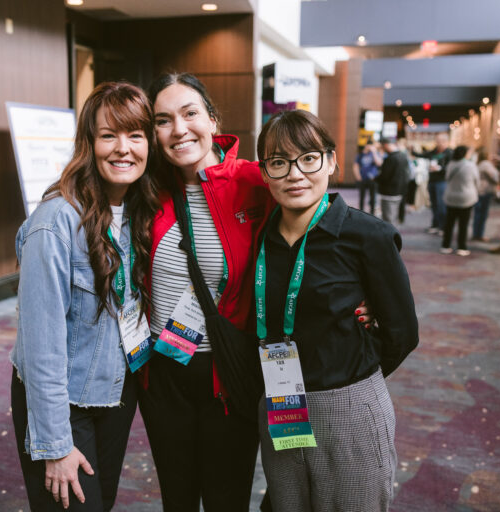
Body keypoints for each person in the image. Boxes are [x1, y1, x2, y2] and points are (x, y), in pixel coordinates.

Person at [254, 109, 418, 511]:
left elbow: (402, 334)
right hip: (282, 401)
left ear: (331, 161)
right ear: (264, 173)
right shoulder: (261, 237)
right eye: (279, 163)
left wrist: (352, 376)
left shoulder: (367, 235)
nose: (295, 174)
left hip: (349, 406)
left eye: (308, 158)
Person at [10, 82, 160, 511]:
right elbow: (40, 347)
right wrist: (56, 445)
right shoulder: (55, 222)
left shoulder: (136, 210)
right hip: (63, 400)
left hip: (113, 393)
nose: (123, 148)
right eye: (108, 135)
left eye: (135, 135)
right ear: (88, 143)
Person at [137, 72, 275, 511]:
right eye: (163, 120)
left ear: (213, 119)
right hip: (162, 373)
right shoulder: (145, 191)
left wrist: (359, 295)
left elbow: (317, 231)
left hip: (229, 373)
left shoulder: (256, 183)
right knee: (176, 498)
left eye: (190, 113)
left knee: (226, 498)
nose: (179, 129)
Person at [440, 145, 479, 256]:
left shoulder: (451, 164)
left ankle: (445, 245)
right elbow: (477, 181)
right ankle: (462, 247)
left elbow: (447, 178)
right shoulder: (471, 166)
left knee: (449, 223)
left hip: (451, 196)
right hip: (466, 197)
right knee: (463, 224)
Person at [414, 133, 452, 234]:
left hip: (442, 181)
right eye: (437, 141)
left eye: (440, 141)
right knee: (434, 204)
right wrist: (412, 151)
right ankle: (435, 224)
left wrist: (439, 168)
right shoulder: (434, 151)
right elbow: (423, 155)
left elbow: (450, 168)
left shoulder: (449, 153)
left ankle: (443, 227)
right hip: (432, 181)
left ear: (445, 141)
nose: (438, 143)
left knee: (441, 205)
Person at [376, 137, 409, 225]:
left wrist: (375, 179)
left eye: (382, 147)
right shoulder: (403, 156)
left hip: (388, 192)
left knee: (388, 218)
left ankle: (391, 238)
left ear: (386, 145)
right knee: (393, 216)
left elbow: (384, 176)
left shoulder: (390, 159)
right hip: (399, 191)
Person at [472, 148, 500, 242]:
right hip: (484, 191)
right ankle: (479, 234)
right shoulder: (486, 164)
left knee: (478, 213)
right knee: (482, 214)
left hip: (479, 190)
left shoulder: (479, 164)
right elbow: (494, 177)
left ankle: (476, 233)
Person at [352, 142, 382, 214]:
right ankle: (361, 212)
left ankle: (372, 212)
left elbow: (379, 163)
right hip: (363, 178)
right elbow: (355, 166)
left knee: (373, 197)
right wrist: (358, 176)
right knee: (362, 196)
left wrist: (374, 152)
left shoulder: (375, 153)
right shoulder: (360, 155)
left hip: (373, 179)